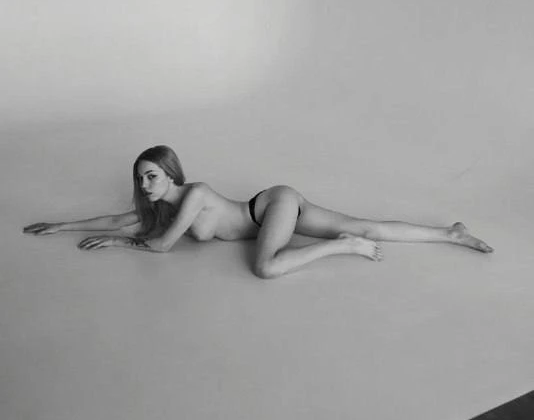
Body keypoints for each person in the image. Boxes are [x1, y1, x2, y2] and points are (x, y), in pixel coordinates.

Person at [23, 145, 493, 278]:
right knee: (367, 223)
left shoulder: (195, 194)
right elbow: (118, 219)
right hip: (270, 211)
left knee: (266, 268)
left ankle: (343, 247)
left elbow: (162, 246)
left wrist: (119, 244)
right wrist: (61, 226)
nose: (145, 185)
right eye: (141, 178)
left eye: (152, 176)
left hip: (269, 206)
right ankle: (451, 233)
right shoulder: (159, 209)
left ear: (170, 174)